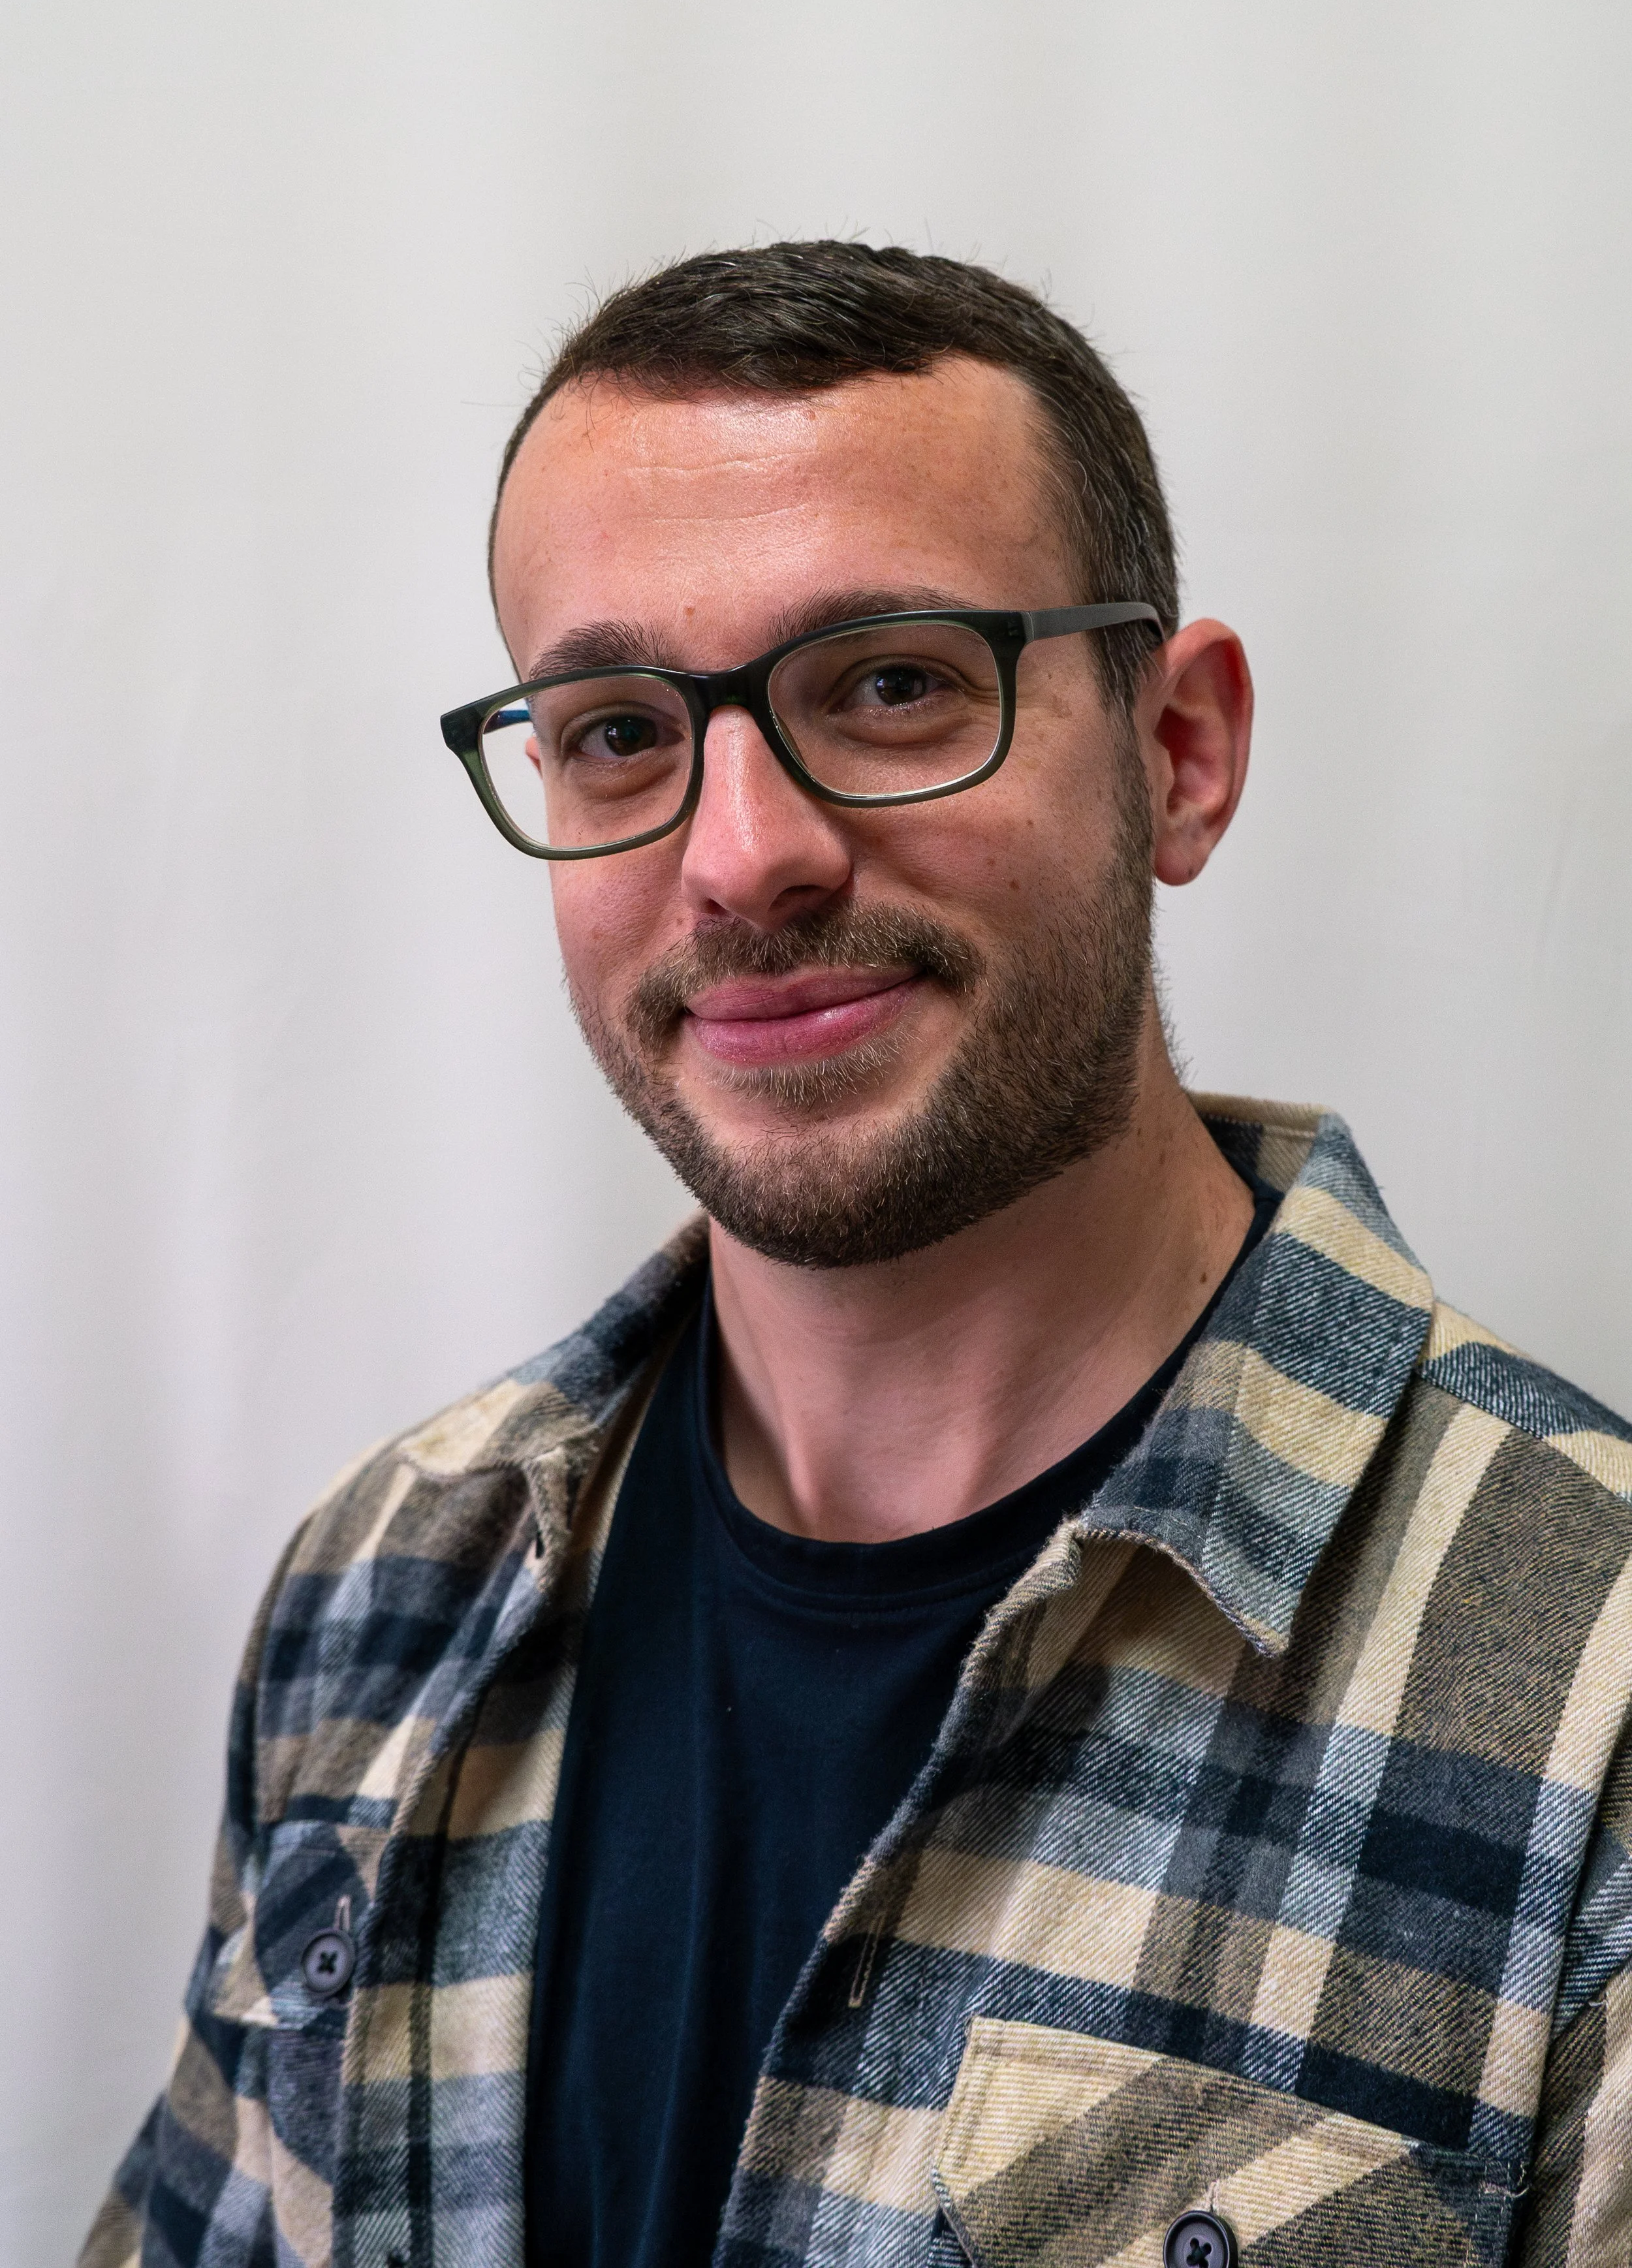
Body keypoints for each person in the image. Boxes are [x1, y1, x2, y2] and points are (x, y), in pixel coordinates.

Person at [84, 243, 1632, 2268]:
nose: (743, 854)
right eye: (620, 728)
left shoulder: (1588, 1704)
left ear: (1177, 750)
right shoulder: (383, 1587)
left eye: (892, 685)